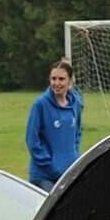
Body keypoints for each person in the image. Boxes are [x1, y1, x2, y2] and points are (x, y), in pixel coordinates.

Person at [25, 59, 83, 190]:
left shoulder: (76, 104)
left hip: (68, 173)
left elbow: (77, 133)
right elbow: (32, 140)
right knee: (52, 203)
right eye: (53, 79)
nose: (56, 83)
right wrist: (50, 166)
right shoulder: (40, 105)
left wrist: (73, 155)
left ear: (70, 81)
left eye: (61, 79)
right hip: (45, 176)